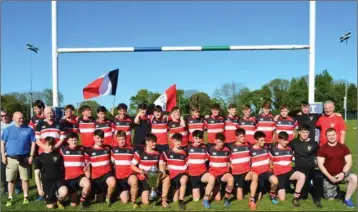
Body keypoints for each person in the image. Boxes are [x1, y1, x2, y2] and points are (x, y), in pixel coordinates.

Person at [1, 112, 36, 206]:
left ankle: (26, 197)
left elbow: (33, 143)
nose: (21, 120)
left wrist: (31, 156)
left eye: (22, 118)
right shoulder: (7, 130)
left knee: (24, 179)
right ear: (13, 118)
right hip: (10, 158)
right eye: (19, 118)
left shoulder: (29, 129)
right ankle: (10, 197)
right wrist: (3, 156)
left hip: (24, 158)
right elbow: (2, 143)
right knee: (11, 179)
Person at [317, 128, 357, 208]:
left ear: (336, 135)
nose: (331, 137)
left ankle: (347, 199)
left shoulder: (343, 147)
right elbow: (320, 165)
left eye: (333, 135)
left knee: (355, 178)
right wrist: (330, 177)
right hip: (329, 176)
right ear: (326, 137)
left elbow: (349, 162)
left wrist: (343, 173)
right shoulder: (322, 149)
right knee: (330, 198)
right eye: (329, 135)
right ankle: (336, 190)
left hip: (342, 173)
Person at [130, 133, 171, 208]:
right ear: (147, 142)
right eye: (152, 142)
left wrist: (162, 172)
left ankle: (164, 201)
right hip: (144, 177)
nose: (155, 143)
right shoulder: (140, 152)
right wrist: (140, 171)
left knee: (167, 178)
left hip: (155, 177)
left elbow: (161, 165)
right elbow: (132, 165)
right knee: (146, 202)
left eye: (155, 141)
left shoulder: (158, 152)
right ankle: (148, 191)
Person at [289, 124, 323, 208]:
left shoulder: (314, 143)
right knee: (304, 196)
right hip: (299, 170)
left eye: (306, 132)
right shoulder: (294, 142)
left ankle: (317, 199)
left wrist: (318, 165)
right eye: (303, 132)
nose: (304, 134)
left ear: (309, 133)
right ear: (299, 132)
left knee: (318, 176)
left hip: (311, 169)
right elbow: (285, 152)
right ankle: (296, 193)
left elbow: (320, 156)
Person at [270, 131, 305, 207]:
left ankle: (296, 197)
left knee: (302, 176)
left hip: (289, 171)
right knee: (282, 198)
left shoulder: (289, 149)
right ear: (279, 140)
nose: (286, 142)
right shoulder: (273, 150)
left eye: (287, 140)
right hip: (279, 174)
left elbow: (291, 161)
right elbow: (269, 163)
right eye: (284, 140)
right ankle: (274, 191)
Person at [34, 137, 68, 209]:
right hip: (47, 183)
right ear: (44, 145)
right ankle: (53, 197)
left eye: (52, 145)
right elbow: (36, 175)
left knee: (64, 192)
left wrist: (63, 179)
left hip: (58, 181)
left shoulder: (58, 155)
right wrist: (39, 188)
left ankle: (59, 201)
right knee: (50, 207)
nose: (51, 147)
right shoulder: (39, 158)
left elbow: (63, 168)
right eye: (49, 145)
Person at [59, 132, 91, 208]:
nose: (74, 142)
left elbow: (88, 160)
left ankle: (82, 201)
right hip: (68, 178)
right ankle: (59, 198)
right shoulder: (63, 149)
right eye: (72, 140)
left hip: (79, 176)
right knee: (73, 205)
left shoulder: (82, 149)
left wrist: (87, 165)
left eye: (75, 140)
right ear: (68, 141)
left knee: (87, 184)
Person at [85, 129, 116, 206]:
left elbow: (113, 160)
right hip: (95, 176)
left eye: (102, 137)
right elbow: (87, 165)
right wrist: (88, 177)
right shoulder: (89, 151)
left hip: (107, 173)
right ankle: (98, 193)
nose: (100, 140)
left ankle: (108, 197)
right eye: (98, 138)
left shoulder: (108, 148)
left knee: (112, 182)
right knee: (99, 200)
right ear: (94, 138)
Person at [186, 130, 215, 209]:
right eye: (196, 138)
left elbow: (209, 158)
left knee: (211, 178)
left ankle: (205, 200)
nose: (198, 140)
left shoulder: (205, 147)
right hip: (193, 175)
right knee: (196, 199)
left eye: (200, 138)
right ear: (193, 138)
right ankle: (203, 189)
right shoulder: (188, 148)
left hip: (202, 173)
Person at [111, 131, 139, 209]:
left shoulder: (132, 149)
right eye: (120, 139)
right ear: (116, 139)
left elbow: (135, 162)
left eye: (123, 139)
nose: (122, 141)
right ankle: (121, 191)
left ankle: (133, 201)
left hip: (129, 175)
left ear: (126, 139)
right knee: (125, 200)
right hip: (119, 178)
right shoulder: (113, 150)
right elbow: (112, 163)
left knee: (134, 180)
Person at [250, 131, 279, 207]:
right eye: (261, 141)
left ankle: (272, 194)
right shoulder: (251, 150)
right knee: (259, 197)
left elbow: (271, 158)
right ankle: (255, 196)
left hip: (266, 172)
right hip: (256, 173)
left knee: (275, 181)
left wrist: (271, 165)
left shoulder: (266, 147)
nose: (263, 142)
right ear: (256, 140)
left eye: (264, 140)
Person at [230, 128, 257, 206]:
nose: (243, 138)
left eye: (244, 136)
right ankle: (234, 187)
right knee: (240, 198)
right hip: (236, 173)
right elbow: (228, 159)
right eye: (241, 136)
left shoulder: (248, 145)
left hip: (247, 172)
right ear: (236, 137)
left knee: (255, 176)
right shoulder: (231, 146)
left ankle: (252, 198)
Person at [161, 133, 188, 210]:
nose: (178, 143)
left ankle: (181, 200)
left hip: (182, 173)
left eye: (179, 141)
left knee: (183, 180)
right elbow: (162, 162)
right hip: (172, 174)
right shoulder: (168, 152)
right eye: (176, 141)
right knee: (174, 199)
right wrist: (164, 168)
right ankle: (174, 192)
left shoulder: (185, 152)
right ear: (172, 141)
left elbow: (187, 163)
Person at [207, 133, 233, 208]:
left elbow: (229, 161)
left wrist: (230, 168)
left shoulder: (227, 150)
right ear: (215, 141)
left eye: (222, 142)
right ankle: (211, 189)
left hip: (223, 174)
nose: (221, 144)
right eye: (219, 142)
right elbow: (206, 161)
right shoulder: (211, 150)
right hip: (213, 174)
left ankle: (226, 199)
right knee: (217, 199)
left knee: (231, 178)